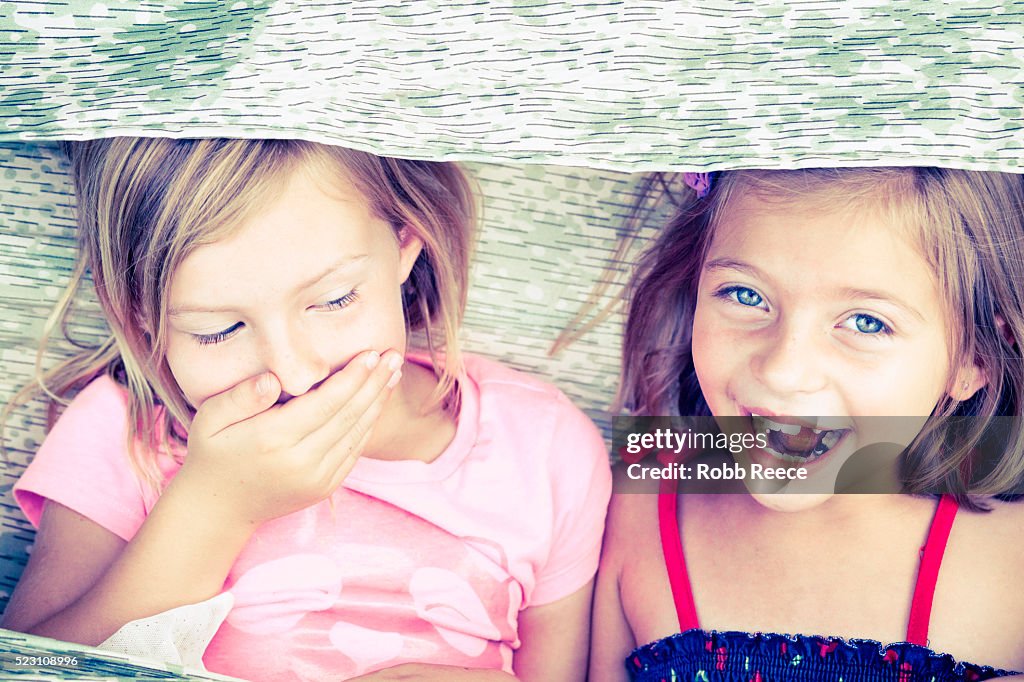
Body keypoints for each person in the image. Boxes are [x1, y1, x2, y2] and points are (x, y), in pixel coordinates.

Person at [0, 138, 611, 682]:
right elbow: (32, 667)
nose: (294, 372)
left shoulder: (545, 447)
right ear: (142, 316)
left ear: (405, 241)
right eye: (219, 330)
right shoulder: (127, 431)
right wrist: (215, 507)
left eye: (335, 299)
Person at [589, 168, 1024, 680]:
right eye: (745, 295)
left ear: (974, 359)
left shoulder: (1011, 564)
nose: (782, 370)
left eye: (866, 322)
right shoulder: (638, 508)